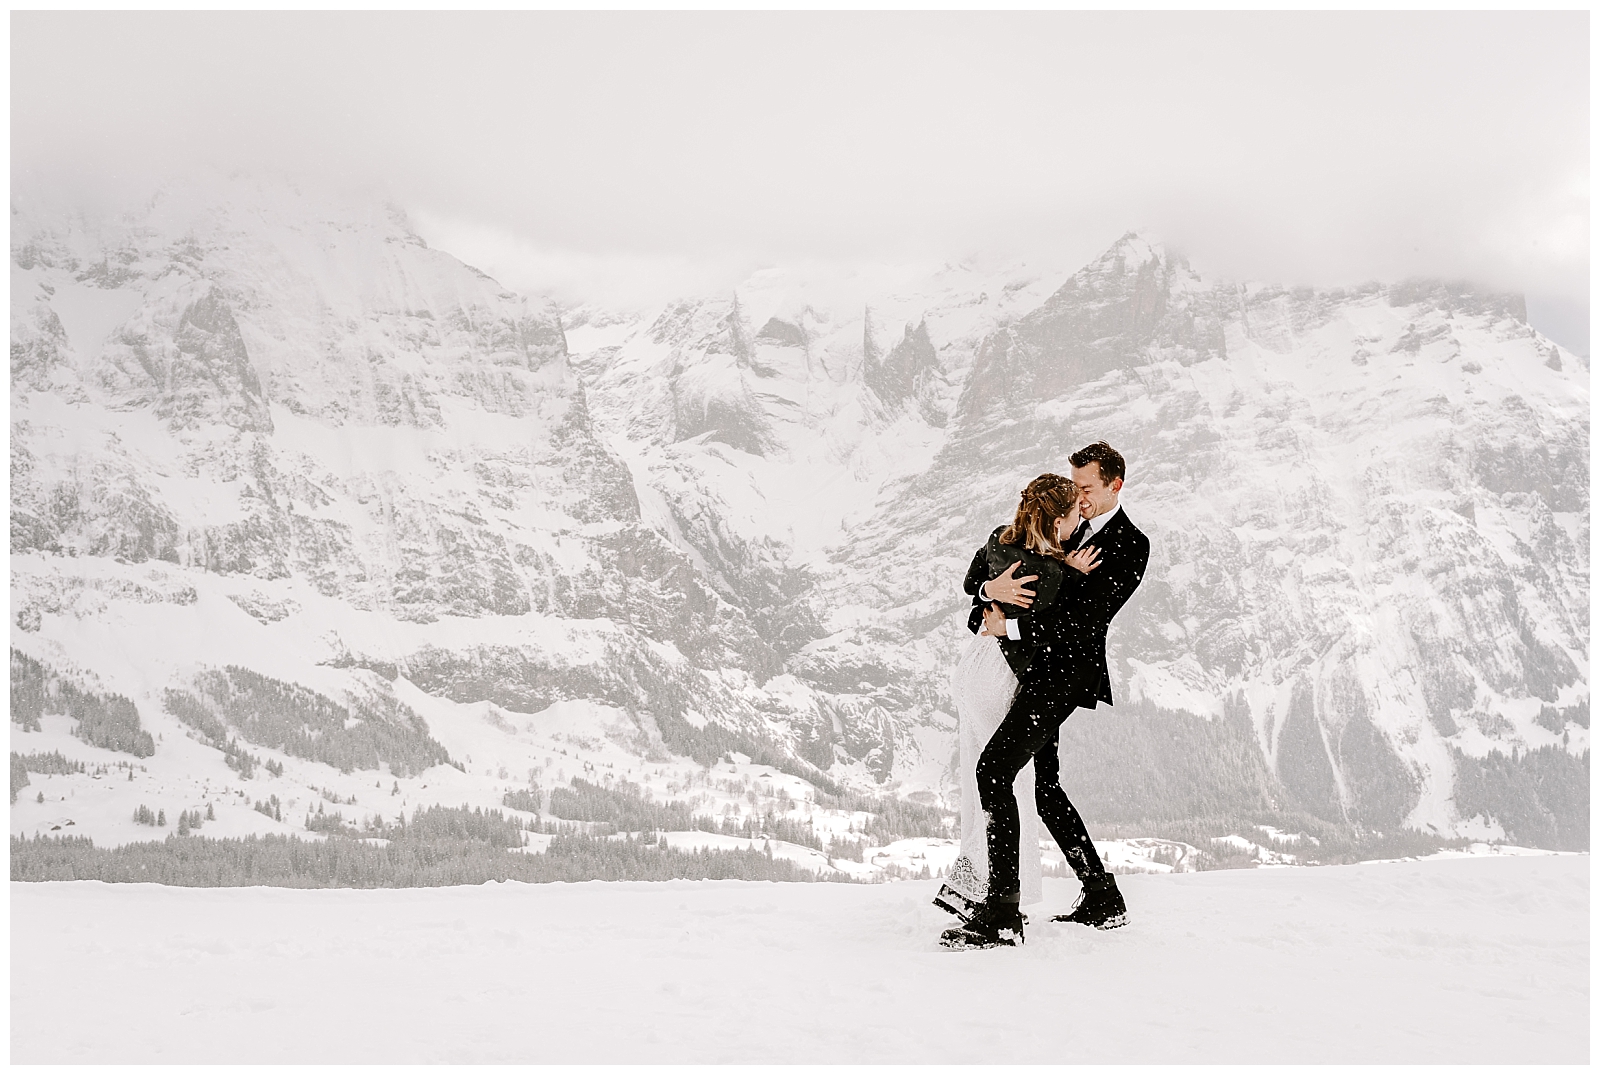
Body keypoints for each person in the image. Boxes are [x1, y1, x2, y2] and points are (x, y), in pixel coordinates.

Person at [941, 441, 1150, 950]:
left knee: (994, 771)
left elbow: (1085, 620)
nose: (1077, 500)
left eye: (1086, 489)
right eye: (1073, 487)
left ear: (1113, 485)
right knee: (1045, 787)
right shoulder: (1054, 521)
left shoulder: (1130, 544)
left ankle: (1002, 912)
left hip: (1062, 674)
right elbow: (994, 586)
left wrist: (1008, 627)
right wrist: (993, 601)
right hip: (1029, 672)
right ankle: (1102, 895)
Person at [934, 473, 1099, 922]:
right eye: (1071, 516)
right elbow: (1055, 621)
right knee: (1010, 784)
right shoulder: (1050, 573)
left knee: (986, 781)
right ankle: (997, 897)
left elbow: (973, 585)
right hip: (1004, 676)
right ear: (1057, 520)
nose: (1077, 522)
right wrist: (1070, 569)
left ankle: (987, 892)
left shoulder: (998, 541)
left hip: (975, 665)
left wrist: (988, 589)